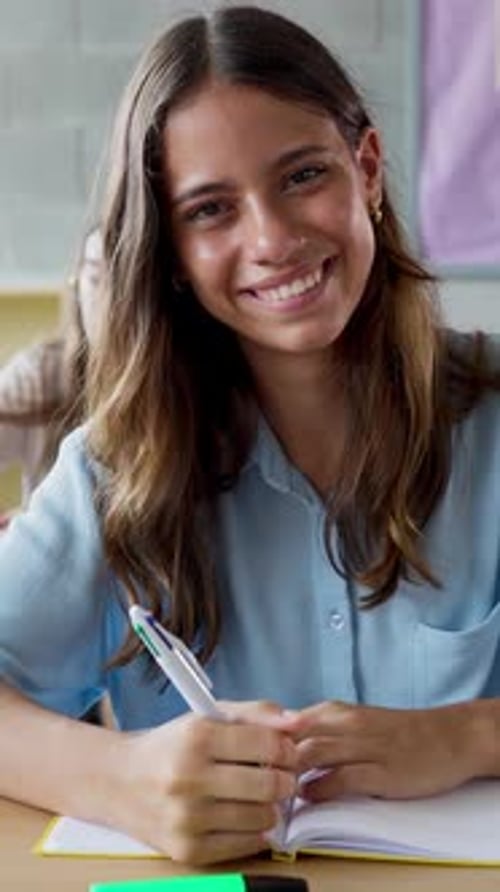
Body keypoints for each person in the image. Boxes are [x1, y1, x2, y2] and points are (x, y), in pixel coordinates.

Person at [0, 4, 499, 868]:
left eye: (303, 175)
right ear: (170, 253)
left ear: (367, 169)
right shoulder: (114, 470)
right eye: (210, 210)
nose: (272, 239)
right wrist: (115, 777)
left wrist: (470, 735)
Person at [0, 226, 102, 512]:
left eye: (129, 280)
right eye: (97, 278)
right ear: (77, 286)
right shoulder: (42, 373)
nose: (113, 301)